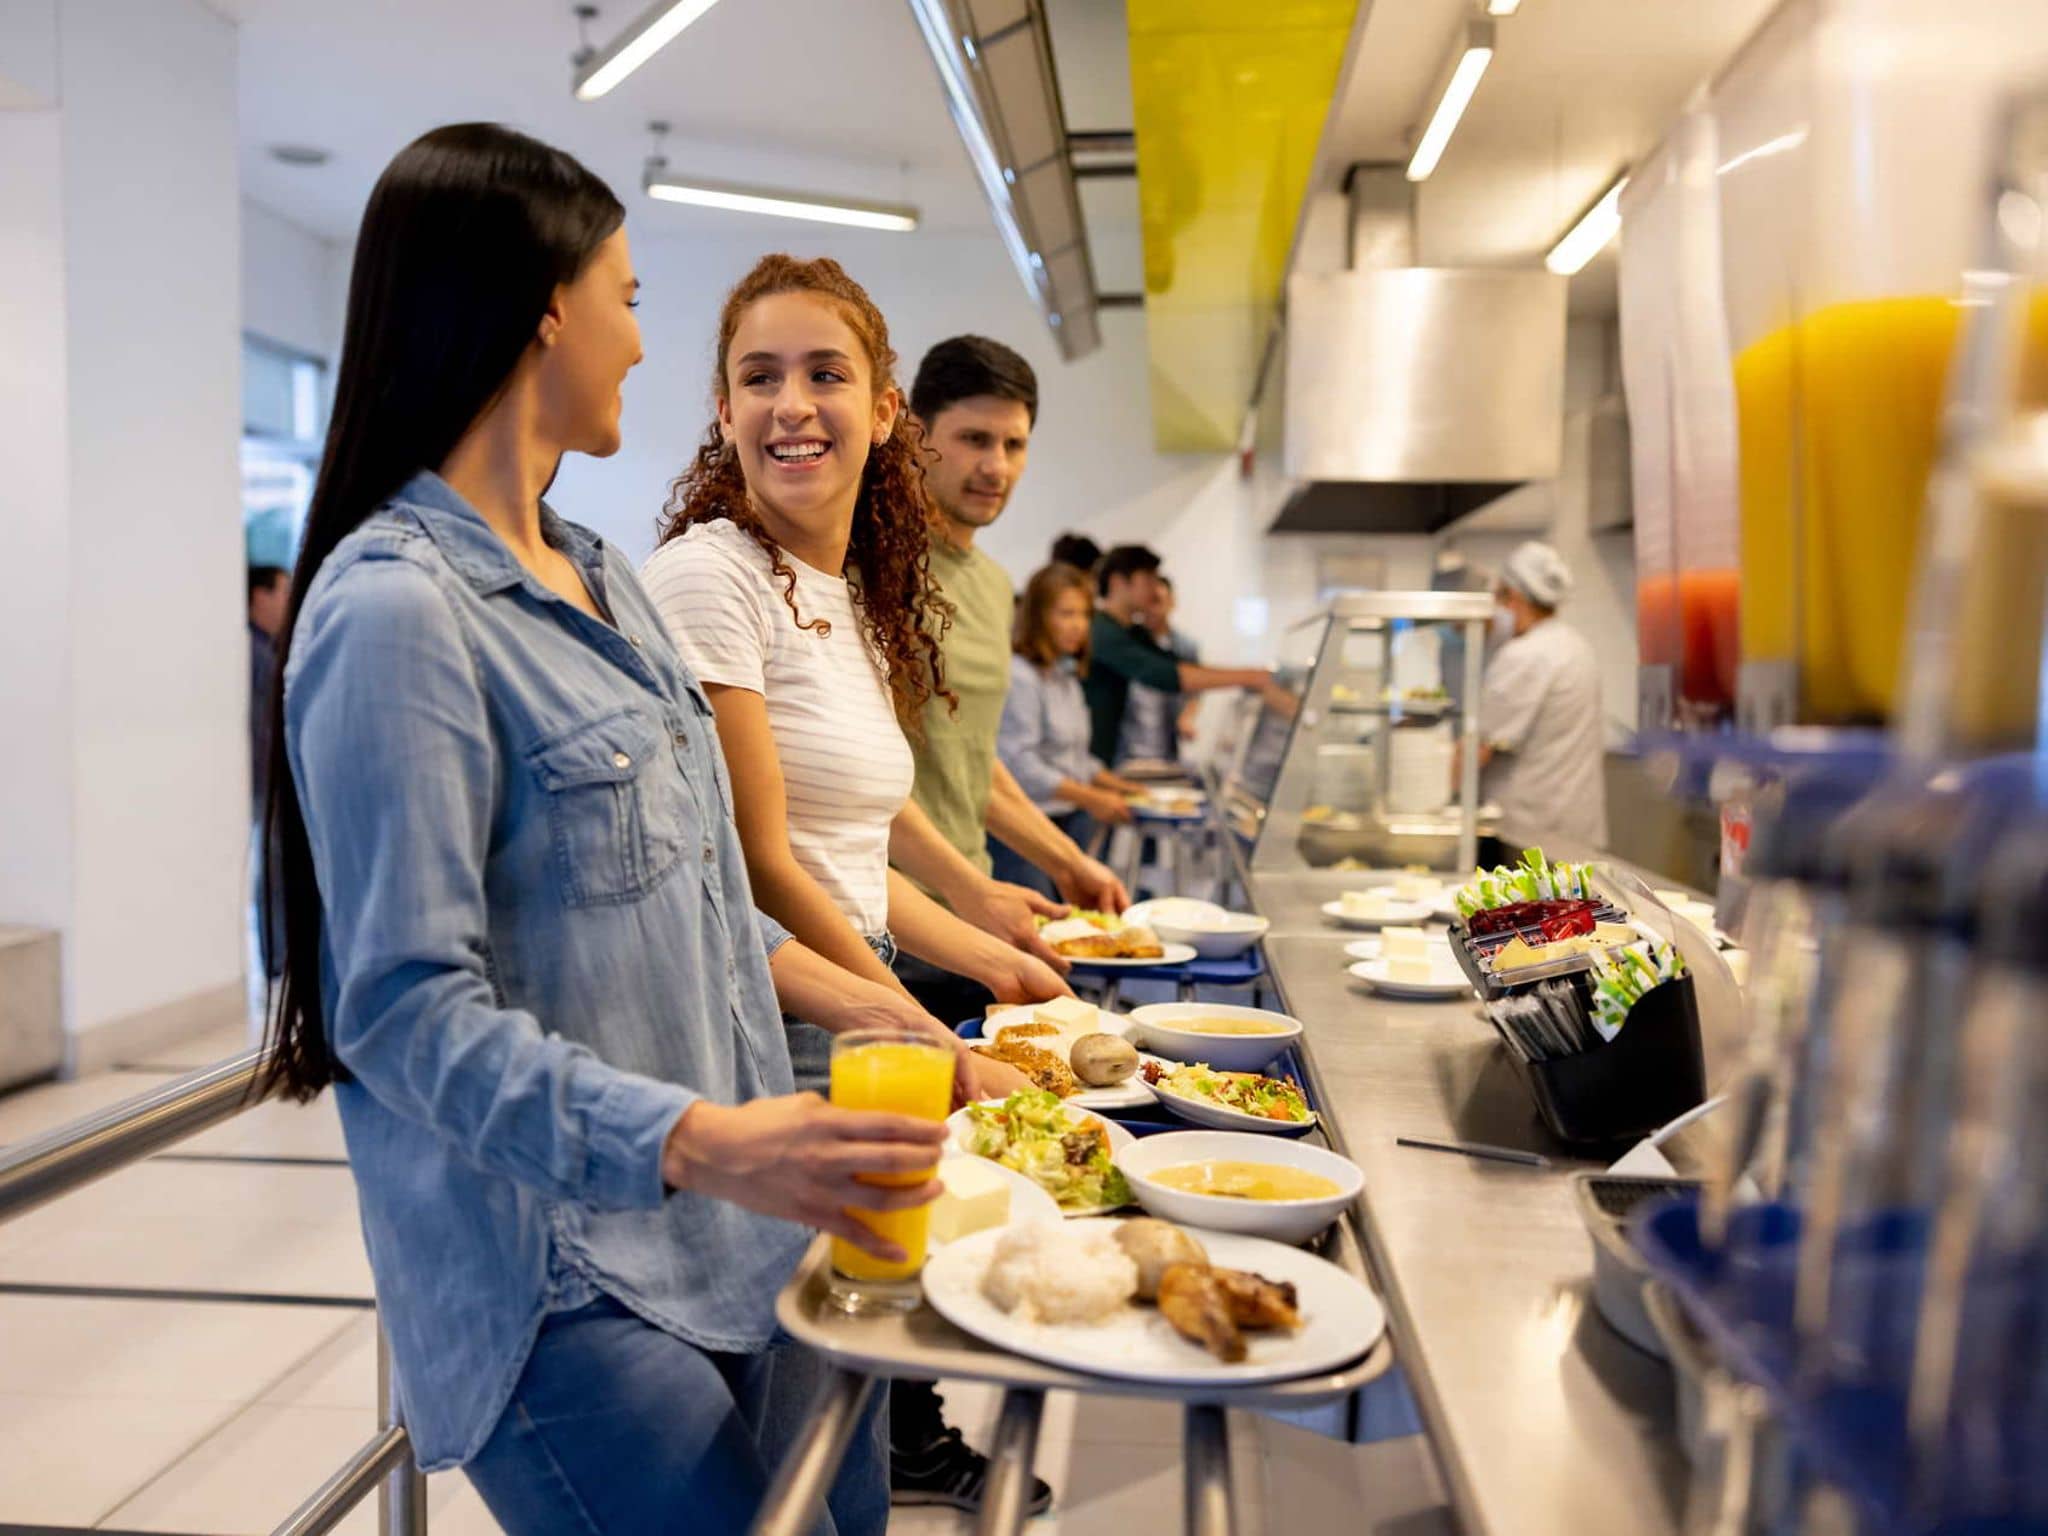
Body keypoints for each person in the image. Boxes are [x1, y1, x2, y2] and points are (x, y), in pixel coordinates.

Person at [262, 125, 966, 1536]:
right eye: (628, 299)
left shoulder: (599, 576)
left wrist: (911, 1030)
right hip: (561, 1273)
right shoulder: (397, 608)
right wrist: (707, 1140)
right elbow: (401, 1013)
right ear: (546, 309)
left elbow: (702, 896)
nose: (642, 343)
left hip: (731, 1228)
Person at [641, 258, 1059, 1090]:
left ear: (882, 413)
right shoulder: (709, 578)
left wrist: (991, 954)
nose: (791, 403)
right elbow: (762, 870)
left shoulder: (851, 599)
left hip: (852, 999)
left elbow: (845, 858)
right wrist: (919, 1032)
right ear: (726, 413)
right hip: (777, 1024)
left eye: (825, 374)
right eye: (760, 377)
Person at [996, 564, 1148, 897]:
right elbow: (1021, 766)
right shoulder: (1020, 677)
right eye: (1067, 614)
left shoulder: (1064, 677)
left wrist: (1123, 787)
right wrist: (1092, 798)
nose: (1079, 625)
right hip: (1027, 830)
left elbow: (1076, 759)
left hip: (1068, 821)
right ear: (1038, 617)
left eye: (1084, 614)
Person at [1473, 540, 1607, 854]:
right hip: (1572, 828)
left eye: (1498, 596)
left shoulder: (1524, 655)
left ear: (1514, 597)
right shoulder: (1576, 645)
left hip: (1527, 833)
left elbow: (1478, 749)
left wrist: (1436, 800)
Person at [1083, 544, 1273, 766]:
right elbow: (1166, 675)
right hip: (1099, 762)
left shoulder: (1132, 632)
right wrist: (1251, 677)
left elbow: (1177, 665)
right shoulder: (1103, 632)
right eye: (1148, 581)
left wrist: (1254, 676)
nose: (1155, 590)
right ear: (1117, 583)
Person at [248, 564, 290, 979]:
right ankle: (277, 960)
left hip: (268, 783)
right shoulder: (253, 654)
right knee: (273, 870)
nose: (288, 603)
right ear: (259, 597)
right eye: (283, 592)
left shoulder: (267, 651)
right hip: (264, 783)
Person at [1118, 571, 1198, 766]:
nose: (1153, 609)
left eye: (1158, 601)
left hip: (1166, 746)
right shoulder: (1127, 642)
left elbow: (1195, 690)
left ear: (1171, 602)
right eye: (1148, 601)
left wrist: (1186, 717)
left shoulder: (1185, 648)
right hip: (1128, 747)